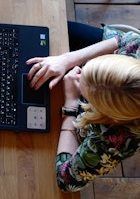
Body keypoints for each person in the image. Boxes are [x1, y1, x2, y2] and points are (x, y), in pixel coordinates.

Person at [27, 22, 140, 192]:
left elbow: (65, 180)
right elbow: (126, 39)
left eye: (85, 94)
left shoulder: (113, 141)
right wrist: (67, 60)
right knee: (55, 31)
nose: (77, 75)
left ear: (110, 115)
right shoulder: (136, 50)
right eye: (85, 71)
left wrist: (71, 104)